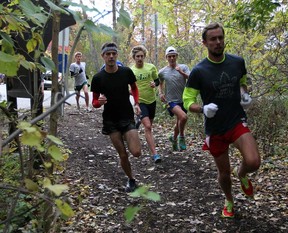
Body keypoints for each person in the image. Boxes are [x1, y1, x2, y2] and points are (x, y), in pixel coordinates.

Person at [183, 22, 261, 218]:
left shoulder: (237, 62)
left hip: (236, 120)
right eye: (213, 39)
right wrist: (202, 109)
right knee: (224, 174)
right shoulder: (199, 71)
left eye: (221, 38)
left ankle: (241, 173)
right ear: (204, 43)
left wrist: (244, 94)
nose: (218, 42)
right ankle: (229, 199)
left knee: (253, 161)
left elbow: (242, 83)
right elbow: (187, 101)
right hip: (215, 128)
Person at [91, 42, 142, 192]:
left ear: (116, 55)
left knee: (136, 152)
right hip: (110, 121)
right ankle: (131, 180)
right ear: (103, 56)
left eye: (113, 53)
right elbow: (94, 102)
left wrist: (137, 103)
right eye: (108, 54)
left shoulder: (126, 72)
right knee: (123, 154)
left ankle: (131, 131)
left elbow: (134, 88)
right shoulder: (98, 78)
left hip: (126, 116)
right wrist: (98, 103)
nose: (111, 56)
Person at [130, 45, 161, 163]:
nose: (140, 58)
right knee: (147, 126)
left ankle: (138, 121)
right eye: (137, 56)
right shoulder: (131, 71)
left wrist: (155, 84)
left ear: (144, 56)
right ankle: (155, 154)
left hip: (151, 101)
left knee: (149, 127)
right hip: (140, 101)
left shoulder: (151, 67)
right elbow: (129, 86)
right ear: (134, 57)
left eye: (142, 56)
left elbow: (157, 80)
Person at [158, 46, 190, 151]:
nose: (172, 58)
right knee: (183, 117)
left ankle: (174, 139)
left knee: (179, 121)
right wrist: (160, 93)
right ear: (166, 57)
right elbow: (160, 82)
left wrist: (181, 72)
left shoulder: (184, 67)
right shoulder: (162, 71)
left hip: (183, 99)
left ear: (176, 56)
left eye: (173, 56)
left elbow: (190, 78)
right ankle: (181, 137)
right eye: (169, 56)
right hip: (170, 101)